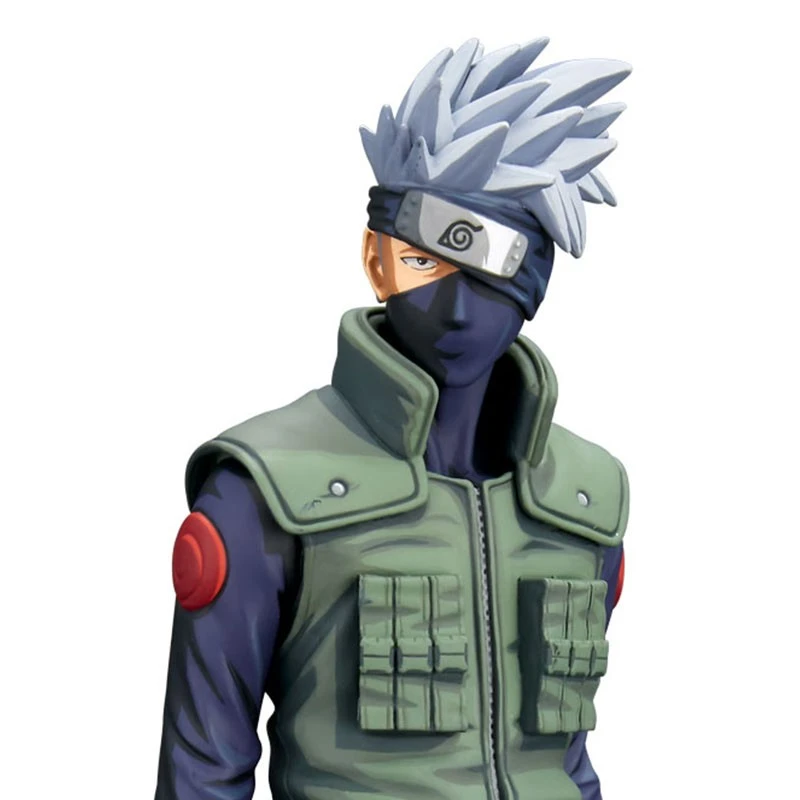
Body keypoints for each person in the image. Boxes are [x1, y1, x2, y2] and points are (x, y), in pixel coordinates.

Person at [155, 37, 631, 800]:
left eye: (491, 270)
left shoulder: (586, 499)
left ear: (537, 282)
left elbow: (568, 761)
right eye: (423, 262)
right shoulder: (266, 488)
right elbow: (204, 770)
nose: (455, 307)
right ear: (376, 258)